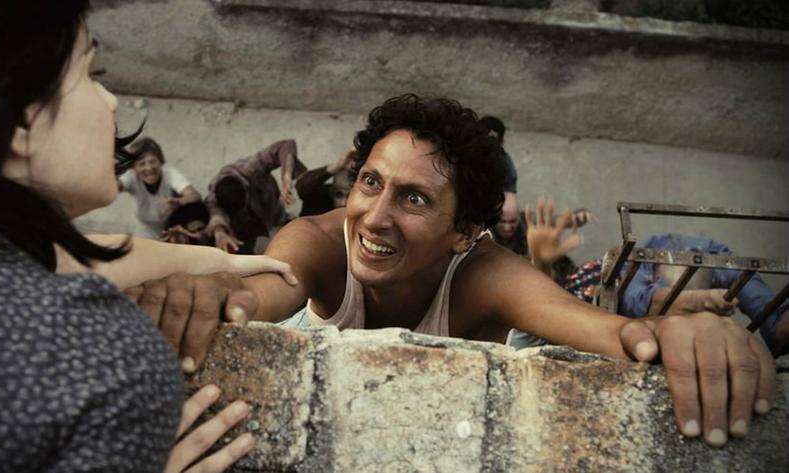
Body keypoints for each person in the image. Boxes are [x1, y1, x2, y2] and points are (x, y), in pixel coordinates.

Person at [129, 94, 777, 449]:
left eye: (412, 198)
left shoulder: (485, 275)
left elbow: (610, 332)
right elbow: (258, 290)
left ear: (465, 232)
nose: (374, 216)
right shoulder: (319, 242)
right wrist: (210, 290)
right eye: (370, 182)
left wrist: (683, 334)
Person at [0, 2, 297, 471]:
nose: (111, 101)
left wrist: (228, 262)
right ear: (20, 118)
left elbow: (97, 255)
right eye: (90, 73)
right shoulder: (108, 361)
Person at [620, 233, 789, 353]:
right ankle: (677, 303)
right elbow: (631, 299)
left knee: (747, 284)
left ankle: (677, 303)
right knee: (633, 295)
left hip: (662, 261)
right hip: (651, 263)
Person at [204, 140, 307, 254]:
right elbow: (216, 215)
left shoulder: (249, 168)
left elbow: (285, 145)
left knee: (284, 221)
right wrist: (219, 232)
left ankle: (283, 221)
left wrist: (287, 176)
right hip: (246, 228)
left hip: (269, 203)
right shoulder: (213, 198)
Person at [118, 136, 202, 239]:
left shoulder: (170, 174)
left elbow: (195, 195)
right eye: (142, 164)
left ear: (160, 161)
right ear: (134, 167)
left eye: (152, 161)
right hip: (144, 239)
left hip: (169, 237)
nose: (148, 168)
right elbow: (115, 186)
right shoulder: (131, 177)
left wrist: (180, 201)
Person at [296, 149, 356, 216]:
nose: (343, 203)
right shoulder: (320, 197)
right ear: (331, 192)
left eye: (349, 196)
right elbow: (302, 187)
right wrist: (338, 165)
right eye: (339, 195)